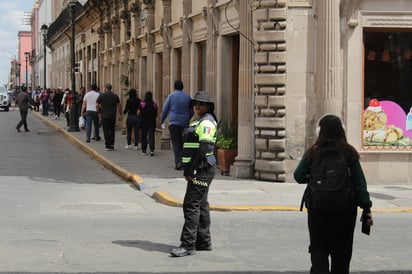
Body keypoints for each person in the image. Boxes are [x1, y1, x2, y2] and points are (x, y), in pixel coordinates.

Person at [293, 114, 374, 274]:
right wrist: (366, 207)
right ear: (342, 131)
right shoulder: (349, 152)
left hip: (318, 209)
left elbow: (298, 175)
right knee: (342, 254)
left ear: (319, 132)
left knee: (318, 249)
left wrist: (315, 178)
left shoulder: (313, 152)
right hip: (345, 210)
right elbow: (360, 184)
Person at [170, 91, 218, 257]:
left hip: (201, 170)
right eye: (195, 104)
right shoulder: (200, 120)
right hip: (203, 169)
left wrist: (192, 169)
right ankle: (203, 242)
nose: (197, 106)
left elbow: (204, 147)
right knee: (201, 204)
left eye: (201, 104)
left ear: (208, 106)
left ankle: (188, 245)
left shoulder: (206, 123)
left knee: (191, 205)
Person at [160, 80, 193, 170]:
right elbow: (191, 110)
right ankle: (183, 161)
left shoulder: (171, 96)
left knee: (176, 143)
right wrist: (187, 118)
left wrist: (162, 120)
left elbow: (165, 109)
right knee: (183, 143)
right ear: (183, 87)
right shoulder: (187, 97)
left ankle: (178, 161)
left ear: (174, 87)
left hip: (174, 123)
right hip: (184, 123)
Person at [96, 83, 123, 151]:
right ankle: (112, 144)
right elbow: (119, 106)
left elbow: (97, 105)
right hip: (112, 116)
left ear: (105, 88)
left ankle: (107, 145)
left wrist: (99, 113)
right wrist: (120, 114)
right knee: (112, 130)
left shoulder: (102, 96)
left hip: (104, 116)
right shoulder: (115, 96)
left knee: (106, 130)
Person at [139, 91, 158, 156]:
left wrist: (141, 117)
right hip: (152, 122)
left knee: (144, 136)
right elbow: (156, 113)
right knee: (151, 135)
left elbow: (138, 112)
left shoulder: (142, 103)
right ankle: (152, 150)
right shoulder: (154, 104)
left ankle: (144, 150)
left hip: (144, 122)